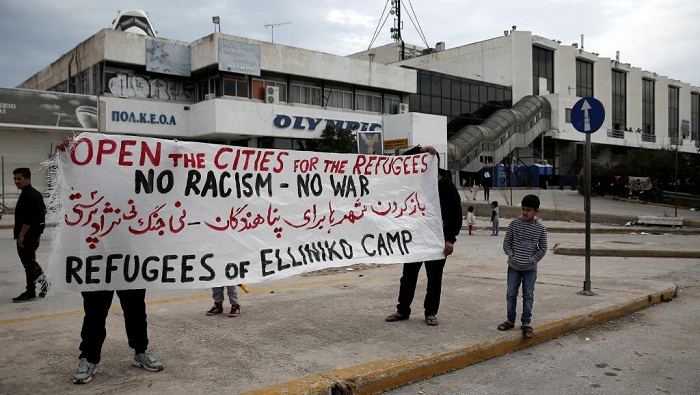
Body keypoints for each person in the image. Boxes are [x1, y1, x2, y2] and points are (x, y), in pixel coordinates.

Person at [55, 139, 164, 384]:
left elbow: (165, 181)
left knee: (136, 311)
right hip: (97, 262)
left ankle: (140, 351)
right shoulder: (89, 191)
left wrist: (174, 152)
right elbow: (69, 178)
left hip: (130, 261)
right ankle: (89, 359)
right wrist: (66, 155)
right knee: (94, 314)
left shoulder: (135, 191)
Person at [385, 145, 463, 326]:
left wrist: (450, 239)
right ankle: (402, 309)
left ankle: (430, 312)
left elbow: (456, 215)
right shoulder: (417, 183)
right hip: (416, 238)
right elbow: (402, 161)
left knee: (434, 278)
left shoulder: (447, 187)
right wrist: (420, 149)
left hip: (437, 240)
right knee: (408, 276)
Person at [497, 194, 548, 339]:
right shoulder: (514, 224)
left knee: (528, 295)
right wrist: (510, 254)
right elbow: (506, 243)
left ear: (536, 212)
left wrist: (532, 260)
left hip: (529, 270)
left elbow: (543, 248)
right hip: (513, 267)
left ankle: (526, 323)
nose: (525, 212)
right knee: (511, 294)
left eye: (529, 210)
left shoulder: (540, 229)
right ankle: (510, 320)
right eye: (523, 209)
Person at [12, 167, 47, 302]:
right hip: (32, 234)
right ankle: (45, 283)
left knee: (28, 264)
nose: (16, 181)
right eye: (15, 179)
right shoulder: (33, 193)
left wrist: (21, 235)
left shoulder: (29, 195)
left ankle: (31, 291)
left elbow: (29, 219)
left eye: (19, 178)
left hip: (28, 235)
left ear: (28, 179)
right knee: (30, 262)